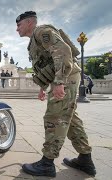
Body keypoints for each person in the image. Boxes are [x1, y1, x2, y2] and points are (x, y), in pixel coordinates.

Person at [16, 11, 96, 177]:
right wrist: (42, 87)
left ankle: (47, 163)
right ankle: (85, 159)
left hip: (66, 77)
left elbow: (63, 51)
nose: (17, 29)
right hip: (64, 77)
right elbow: (45, 65)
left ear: (30, 23)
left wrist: (60, 82)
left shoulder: (42, 32)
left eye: (19, 24)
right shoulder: (33, 41)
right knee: (71, 119)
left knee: (54, 117)